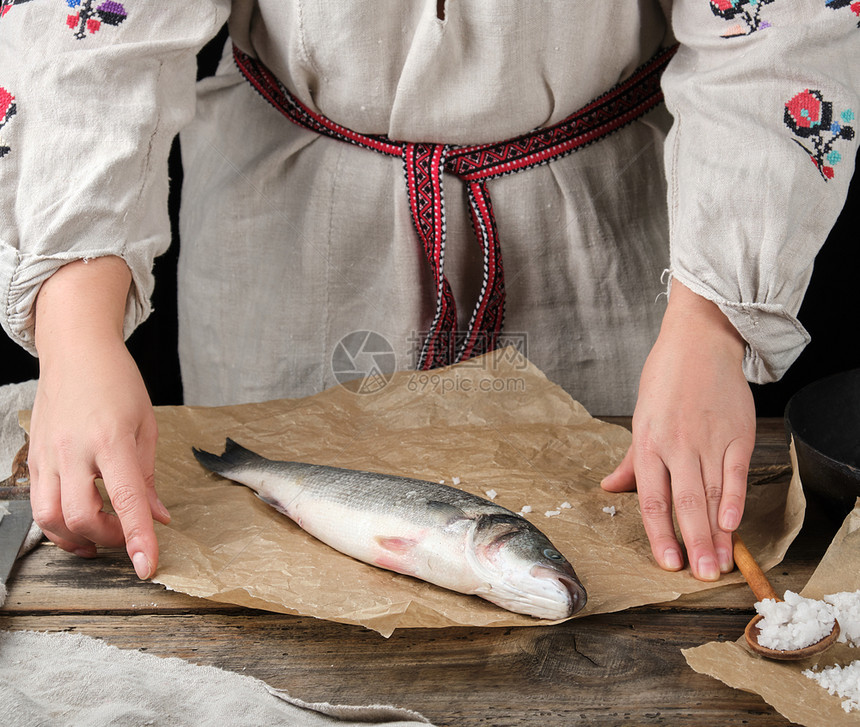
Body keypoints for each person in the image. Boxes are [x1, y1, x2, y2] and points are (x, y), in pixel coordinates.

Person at [0, 2, 856, 584]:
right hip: (293, 246)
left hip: (616, 254)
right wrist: (77, 327)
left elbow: (777, 24)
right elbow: (92, 28)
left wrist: (710, 321)